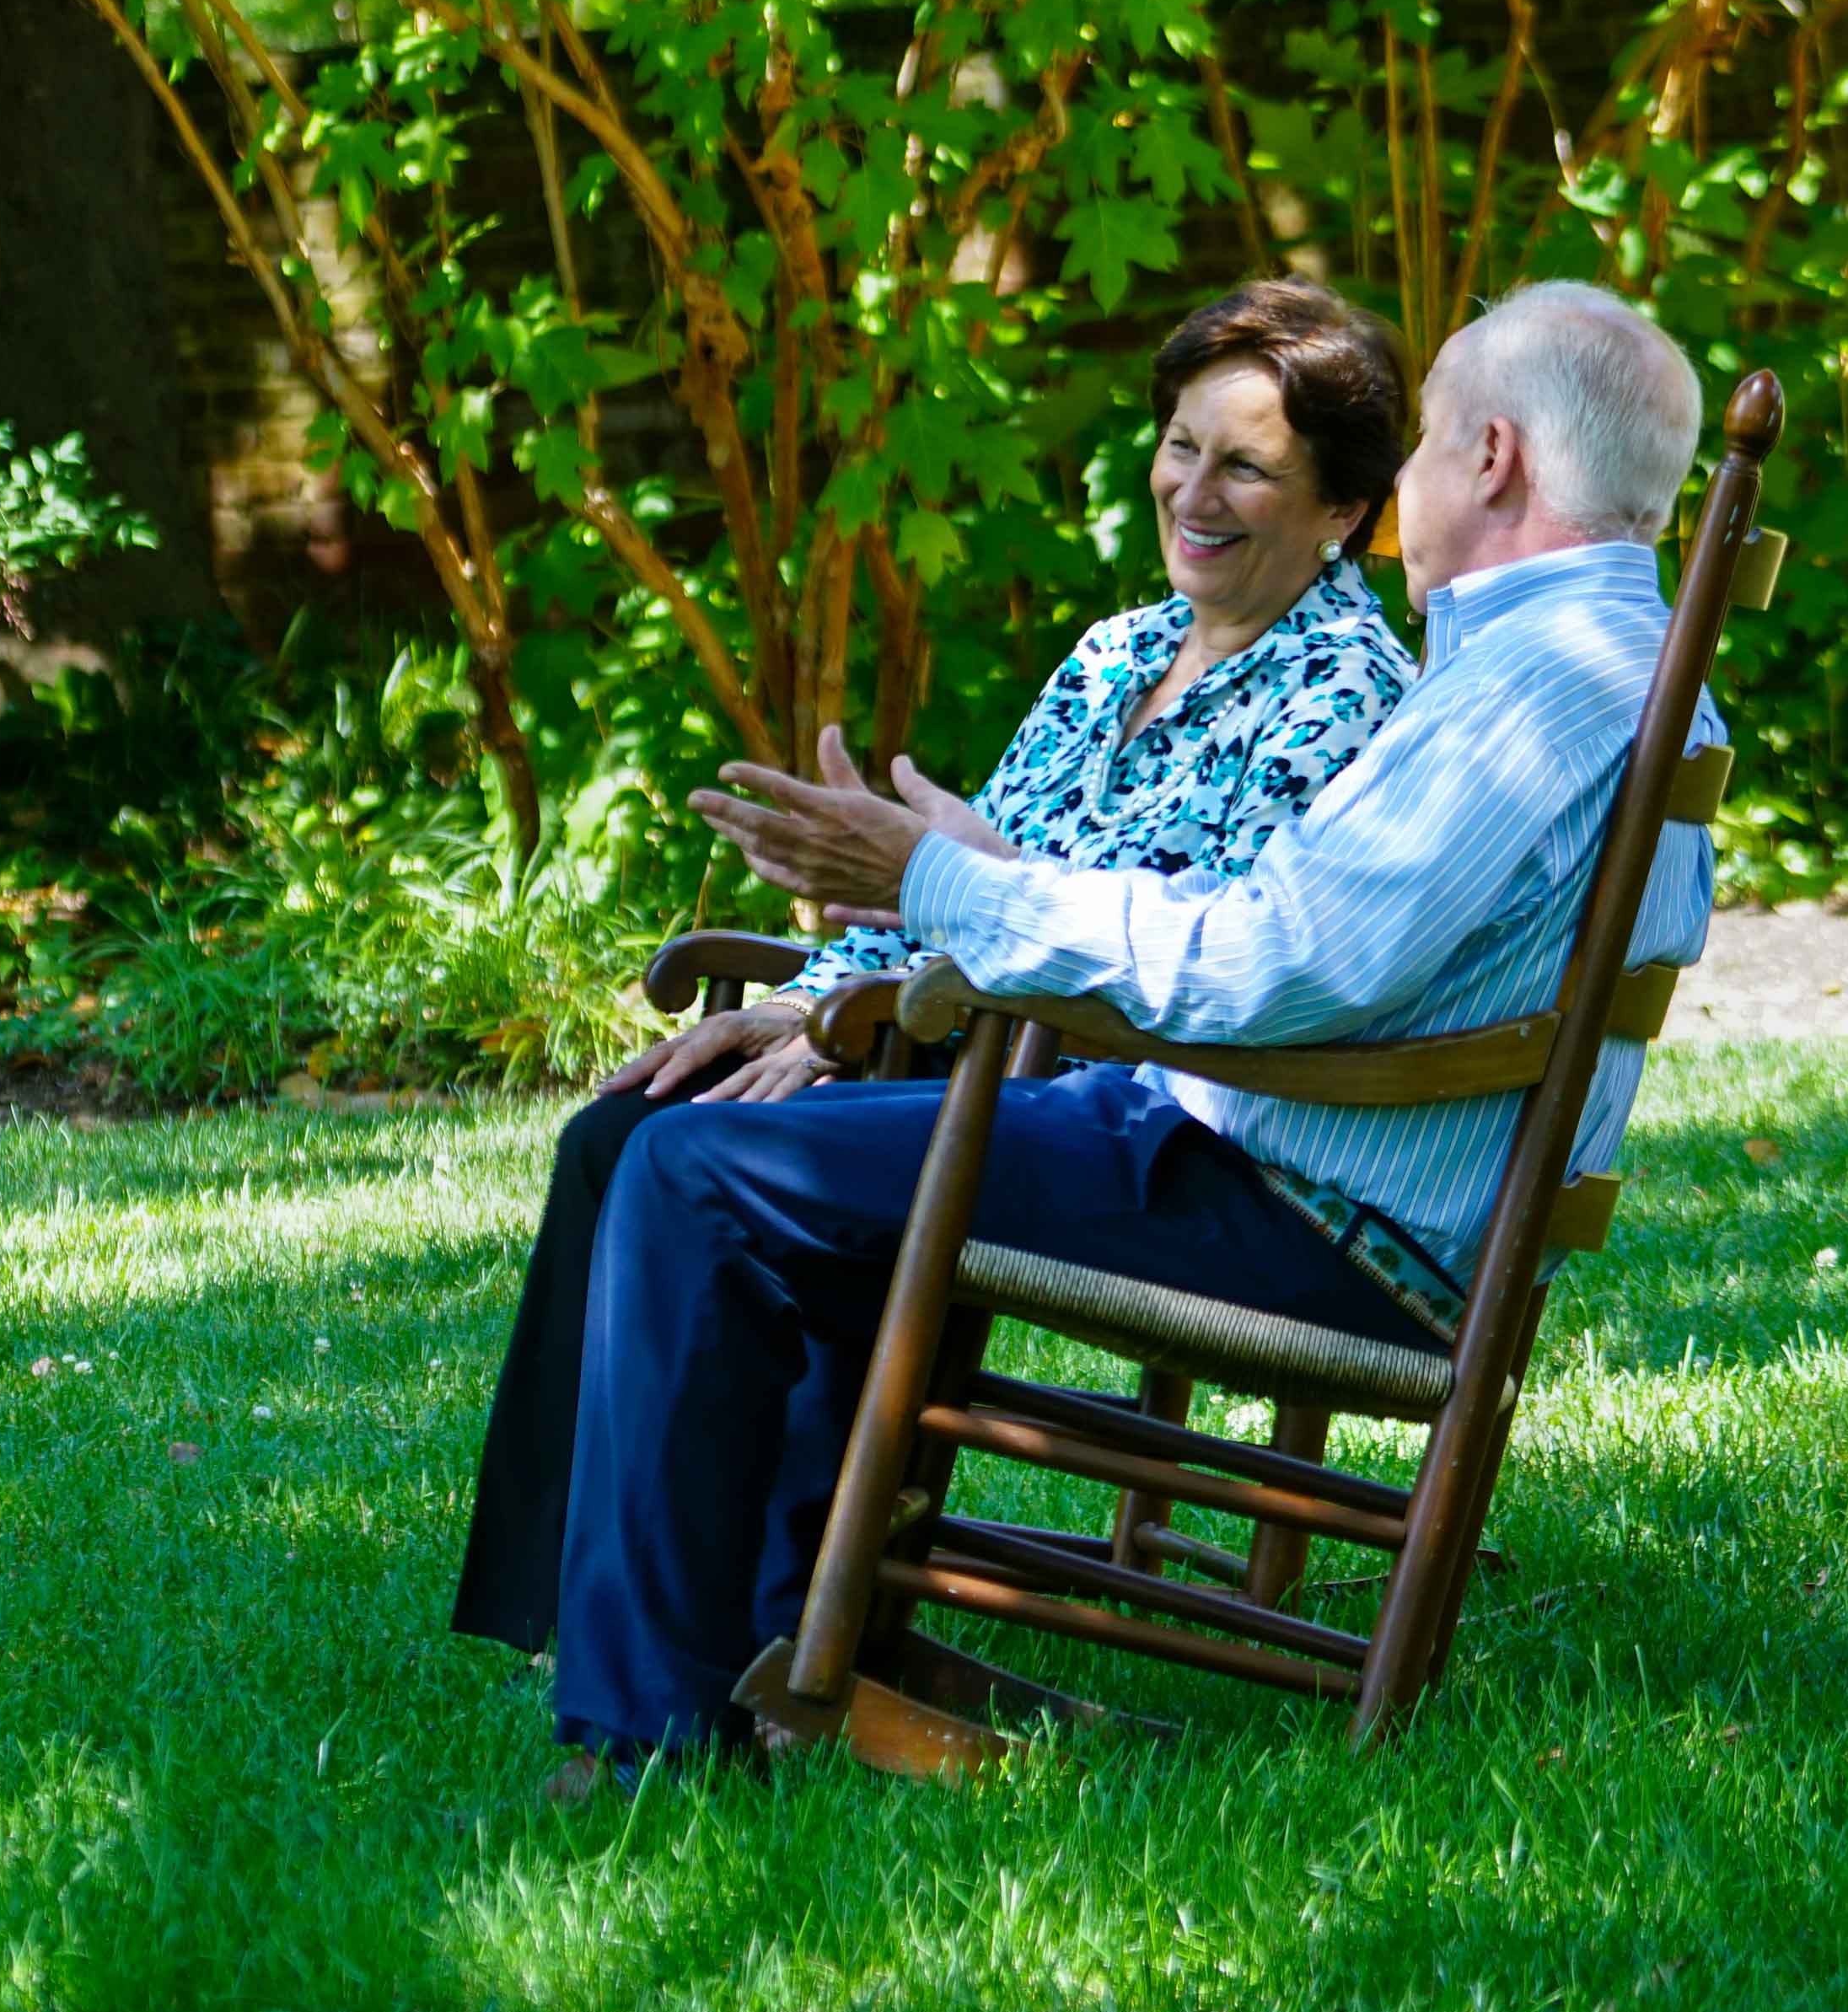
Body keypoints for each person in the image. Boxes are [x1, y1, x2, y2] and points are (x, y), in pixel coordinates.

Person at [517, 280, 1727, 1795]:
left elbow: (1276, 962)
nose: (1406, 477)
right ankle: (764, 1639)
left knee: (705, 1171)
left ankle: (639, 1741)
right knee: (747, 1160)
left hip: (1299, 1198)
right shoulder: (1611, 669)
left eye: (1419, 440)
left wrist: (940, 878)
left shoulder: (1531, 693)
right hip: (1319, 1169)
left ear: (1490, 458)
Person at [450, 279, 1421, 1661]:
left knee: (740, 1167)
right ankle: (589, 1611)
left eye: (1248, 465)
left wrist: (890, 990)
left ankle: (747, 1631)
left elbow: (1203, 954)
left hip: (1106, 1100)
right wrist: (812, 994)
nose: (1193, 490)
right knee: (621, 1131)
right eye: (1181, 445)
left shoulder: (1346, 694)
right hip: (963, 1036)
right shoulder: (1116, 653)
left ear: (1340, 513)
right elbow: (970, 873)